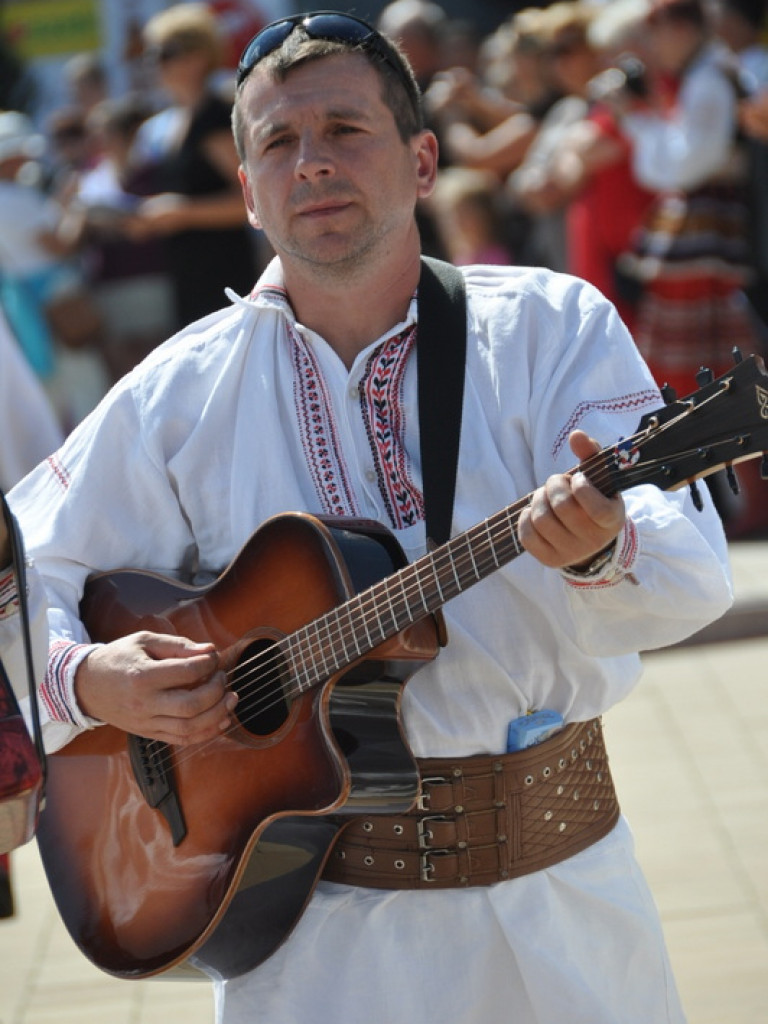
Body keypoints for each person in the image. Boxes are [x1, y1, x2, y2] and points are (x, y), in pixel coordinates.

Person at [8, 12, 734, 1024]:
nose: (312, 164)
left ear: (424, 161)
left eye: (346, 130)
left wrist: (605, 552)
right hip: (313, 945)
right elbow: (21, 570)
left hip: (561, 918)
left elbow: (697, 576)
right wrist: (91, 679)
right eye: (278, 143)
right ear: (251, 195)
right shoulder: (177, 393)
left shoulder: (549, 331)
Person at [129, 1, 258, 330]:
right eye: (151, 54)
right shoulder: (173, 122)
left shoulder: (214, 118)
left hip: (224, 274)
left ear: (200, 56)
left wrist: (183, 212)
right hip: (187, 274)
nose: (154, 62)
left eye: (165, 52)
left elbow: (254, 200)